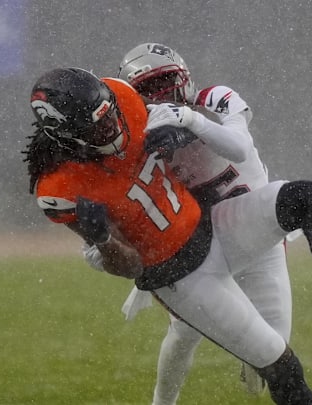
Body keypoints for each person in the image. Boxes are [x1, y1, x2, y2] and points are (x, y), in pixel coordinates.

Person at [23, 67, 312, 405]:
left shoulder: (124, 97)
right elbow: (129, 266)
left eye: (109, 113)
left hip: (212, 226)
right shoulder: (60, 188)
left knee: (303, 196)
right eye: (100, 126)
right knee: (282, 367)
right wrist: (103, 240)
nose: (115, 126)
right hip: (179, 277)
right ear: (68, 138)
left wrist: (186, 124)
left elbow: (226, 144)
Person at [86, 42, 290, 402]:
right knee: (183, 333)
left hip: (252, 237)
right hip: (200, 246)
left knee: (276, 350)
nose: (163, 96)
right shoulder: (138, 147)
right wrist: (127, 261)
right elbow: (141, 219)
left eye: (167, 82)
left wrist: (190, 122)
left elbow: (239, 146)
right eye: (150, 89)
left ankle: (257, 364)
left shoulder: (213, 104)